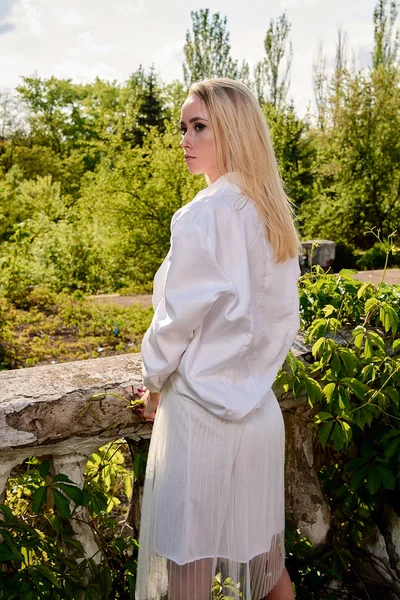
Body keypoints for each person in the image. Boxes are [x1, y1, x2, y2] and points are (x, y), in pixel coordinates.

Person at [135, 78, 300, 600]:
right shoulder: (273, 214)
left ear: (231, 131)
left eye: (199, 127)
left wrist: (153, 383)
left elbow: (174, 322)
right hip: (258, 417)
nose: (184, 138)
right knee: (267, 569)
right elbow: (280, 322)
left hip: (200, 422)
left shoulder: (203, 214)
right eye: (183, 127)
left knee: (188, 581)